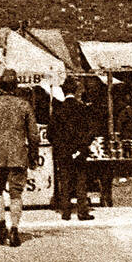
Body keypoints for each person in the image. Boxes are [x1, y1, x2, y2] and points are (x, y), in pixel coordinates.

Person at [0, 68, 40, 248]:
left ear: (0, 86)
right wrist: (34, 155)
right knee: (16, 194)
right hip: (18, 155)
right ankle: (15, 230)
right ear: (16, 86)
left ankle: (1, 226)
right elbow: (34, 134)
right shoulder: (24, 105)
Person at [51, 80, 93, 221]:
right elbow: (90, 131)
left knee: (65, 180)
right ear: (76, 91)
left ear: (63, 91)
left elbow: (51, 133)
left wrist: (60, 146)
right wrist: (82, 147)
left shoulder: (58, 110)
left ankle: (66, 212)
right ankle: (82, 211)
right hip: (79, 150)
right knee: (81, 180)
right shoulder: (83, 109)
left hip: (63, 151)